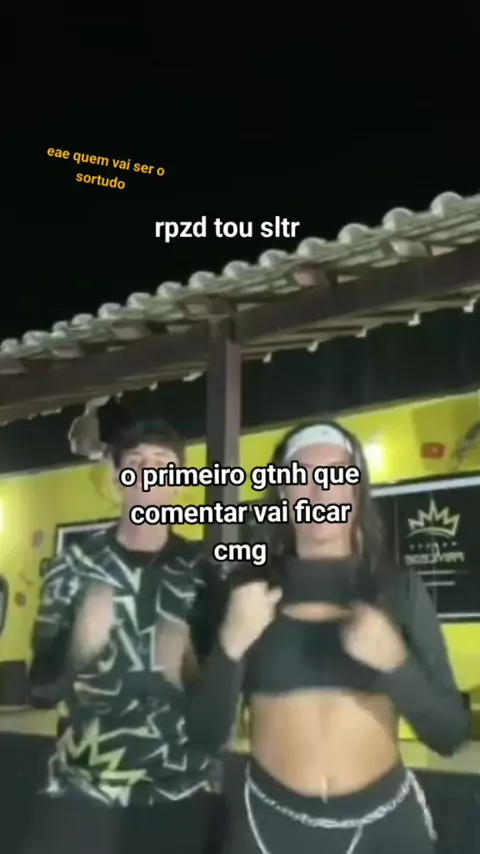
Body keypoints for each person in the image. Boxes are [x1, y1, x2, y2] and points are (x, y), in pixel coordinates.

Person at [24, 418, 280, 854]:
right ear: (117, 479)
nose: (148, 473)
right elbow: (40, 692)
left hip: (182, 799)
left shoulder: (205, 574)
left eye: (163, 463)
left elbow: (216, 726)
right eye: (135, 462)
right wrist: (79, 650)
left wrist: (192, 671)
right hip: (81, 798)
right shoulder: (73, 567)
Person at [221, 421, 470, 854]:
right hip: (265, 830)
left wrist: (396, 664)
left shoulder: (398, 589)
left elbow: (450, 734)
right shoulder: (249, 592)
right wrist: (227, 650)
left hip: (385, 831)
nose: (320, 492)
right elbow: (204, 731)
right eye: (301, 477)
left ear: (356, 492)